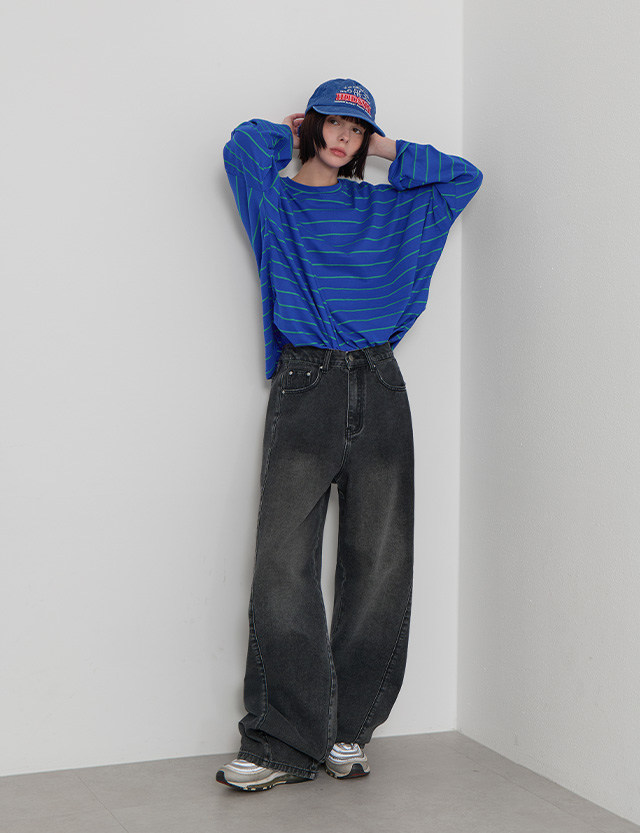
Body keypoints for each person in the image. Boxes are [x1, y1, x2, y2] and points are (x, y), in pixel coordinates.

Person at [217, 78, 482, 791]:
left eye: (356, 129)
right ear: (312, 125)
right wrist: (288, 130)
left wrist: (386, 147)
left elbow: (464, 178)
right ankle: (282, 741)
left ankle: (348, 729)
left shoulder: (385, 206)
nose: (343, 137)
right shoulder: (274, 202)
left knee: (380, 563)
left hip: (381, 381)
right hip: (307, 384)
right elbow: (240, 151)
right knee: (283, 563)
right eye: (333, 123)